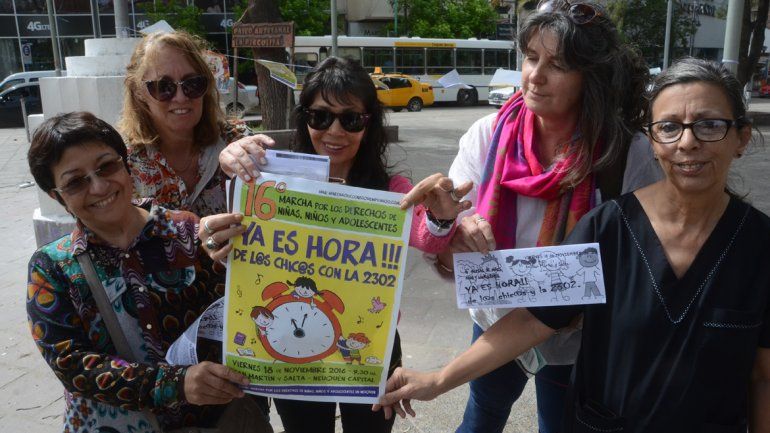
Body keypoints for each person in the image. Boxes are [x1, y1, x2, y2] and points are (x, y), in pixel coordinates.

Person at [377, 57, 770, 433]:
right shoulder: (609, 227)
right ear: (651, 140)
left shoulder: (760, 246)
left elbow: (763, 375)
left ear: (742, 137)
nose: (687, 142)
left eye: (709, 125)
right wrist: (438, 380)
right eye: (668, 127)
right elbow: (534, 319)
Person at [397, 2, 657, 432]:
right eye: (532, 57)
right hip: (495, 320)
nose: (535, 75)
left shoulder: (625, 153)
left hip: (577, 336)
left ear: (591, 76)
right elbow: (447, 253)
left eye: (558, 65)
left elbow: (645, 263)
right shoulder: (487, 135)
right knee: (482, 417)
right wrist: (453, 230)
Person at [207, 56, 470, 433]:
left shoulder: (391, 190)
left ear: (369, 123)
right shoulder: (272, 180)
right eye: (320, 117)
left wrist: (441, 217)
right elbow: (229, 224)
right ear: (304, 118)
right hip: (288, 347)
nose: (334, 131)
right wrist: (228, 161)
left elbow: (423, 235)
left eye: (351, 119)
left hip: (369, 346)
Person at [25, 112, 250, 432]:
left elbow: (230, 314)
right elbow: (72, 365)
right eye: (75, 182)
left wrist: (232, 259)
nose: (99, 186)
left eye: (107, 166)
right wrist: (176, 384)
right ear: (56, 196)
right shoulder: (52, 268)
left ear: (125, 164)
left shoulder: (188, 232)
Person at [118, 30, 274, 218]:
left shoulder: (236, 140)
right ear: (139, 92)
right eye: (163, 86)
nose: (180, 97)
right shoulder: (121, 162)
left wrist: (258, 162)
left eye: (192, 83)